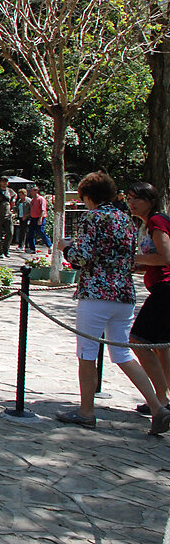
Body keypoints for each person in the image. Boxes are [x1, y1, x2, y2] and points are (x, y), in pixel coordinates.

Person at [54, 173, 170, 434]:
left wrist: (65, 248)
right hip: (125, 294)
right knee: (122, 353)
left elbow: (82, 257)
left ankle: (86, 411)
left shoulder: (92, 218)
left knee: (87, 352)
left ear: (87, 195)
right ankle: (157, 407)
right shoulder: (127, 221)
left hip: (96, 294)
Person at [126, 182, 170, 417]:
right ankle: (164, 398)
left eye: (136, 199)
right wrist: (139, 265)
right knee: (163, 348)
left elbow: (165, 257)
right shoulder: (146, 225)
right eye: (129, 198)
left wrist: (132, 258)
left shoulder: (156, 222)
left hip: (165, 289)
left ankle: (160, 399)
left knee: (138, 339)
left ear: (150, 200)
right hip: (160, 288)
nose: (131, 203)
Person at [25, 185, 52, 254]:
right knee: (31, 233)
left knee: (41, 232)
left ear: (36, 191)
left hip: (40, 218)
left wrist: (40, 219)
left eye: (32, 191)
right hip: (33, 218)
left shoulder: (41, 199)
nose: (31, 192)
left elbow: (43, 210)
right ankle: (32, 248)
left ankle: (49, 245)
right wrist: (26, 215)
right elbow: (32, 210)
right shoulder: (33, 200)